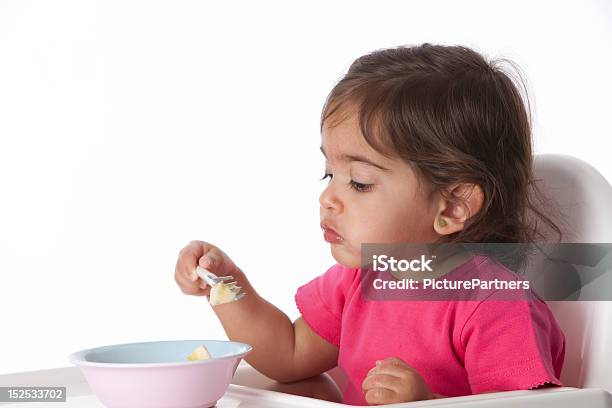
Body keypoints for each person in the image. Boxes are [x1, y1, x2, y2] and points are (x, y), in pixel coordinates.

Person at [174, 43, 565, 406]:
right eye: (329, 174)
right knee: (298, 386)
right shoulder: (359, 280)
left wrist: (425, 404)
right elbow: (288, 354)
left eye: (359, 182)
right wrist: (227, 287)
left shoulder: (495, 305)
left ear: (452, 206)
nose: (328, 198)